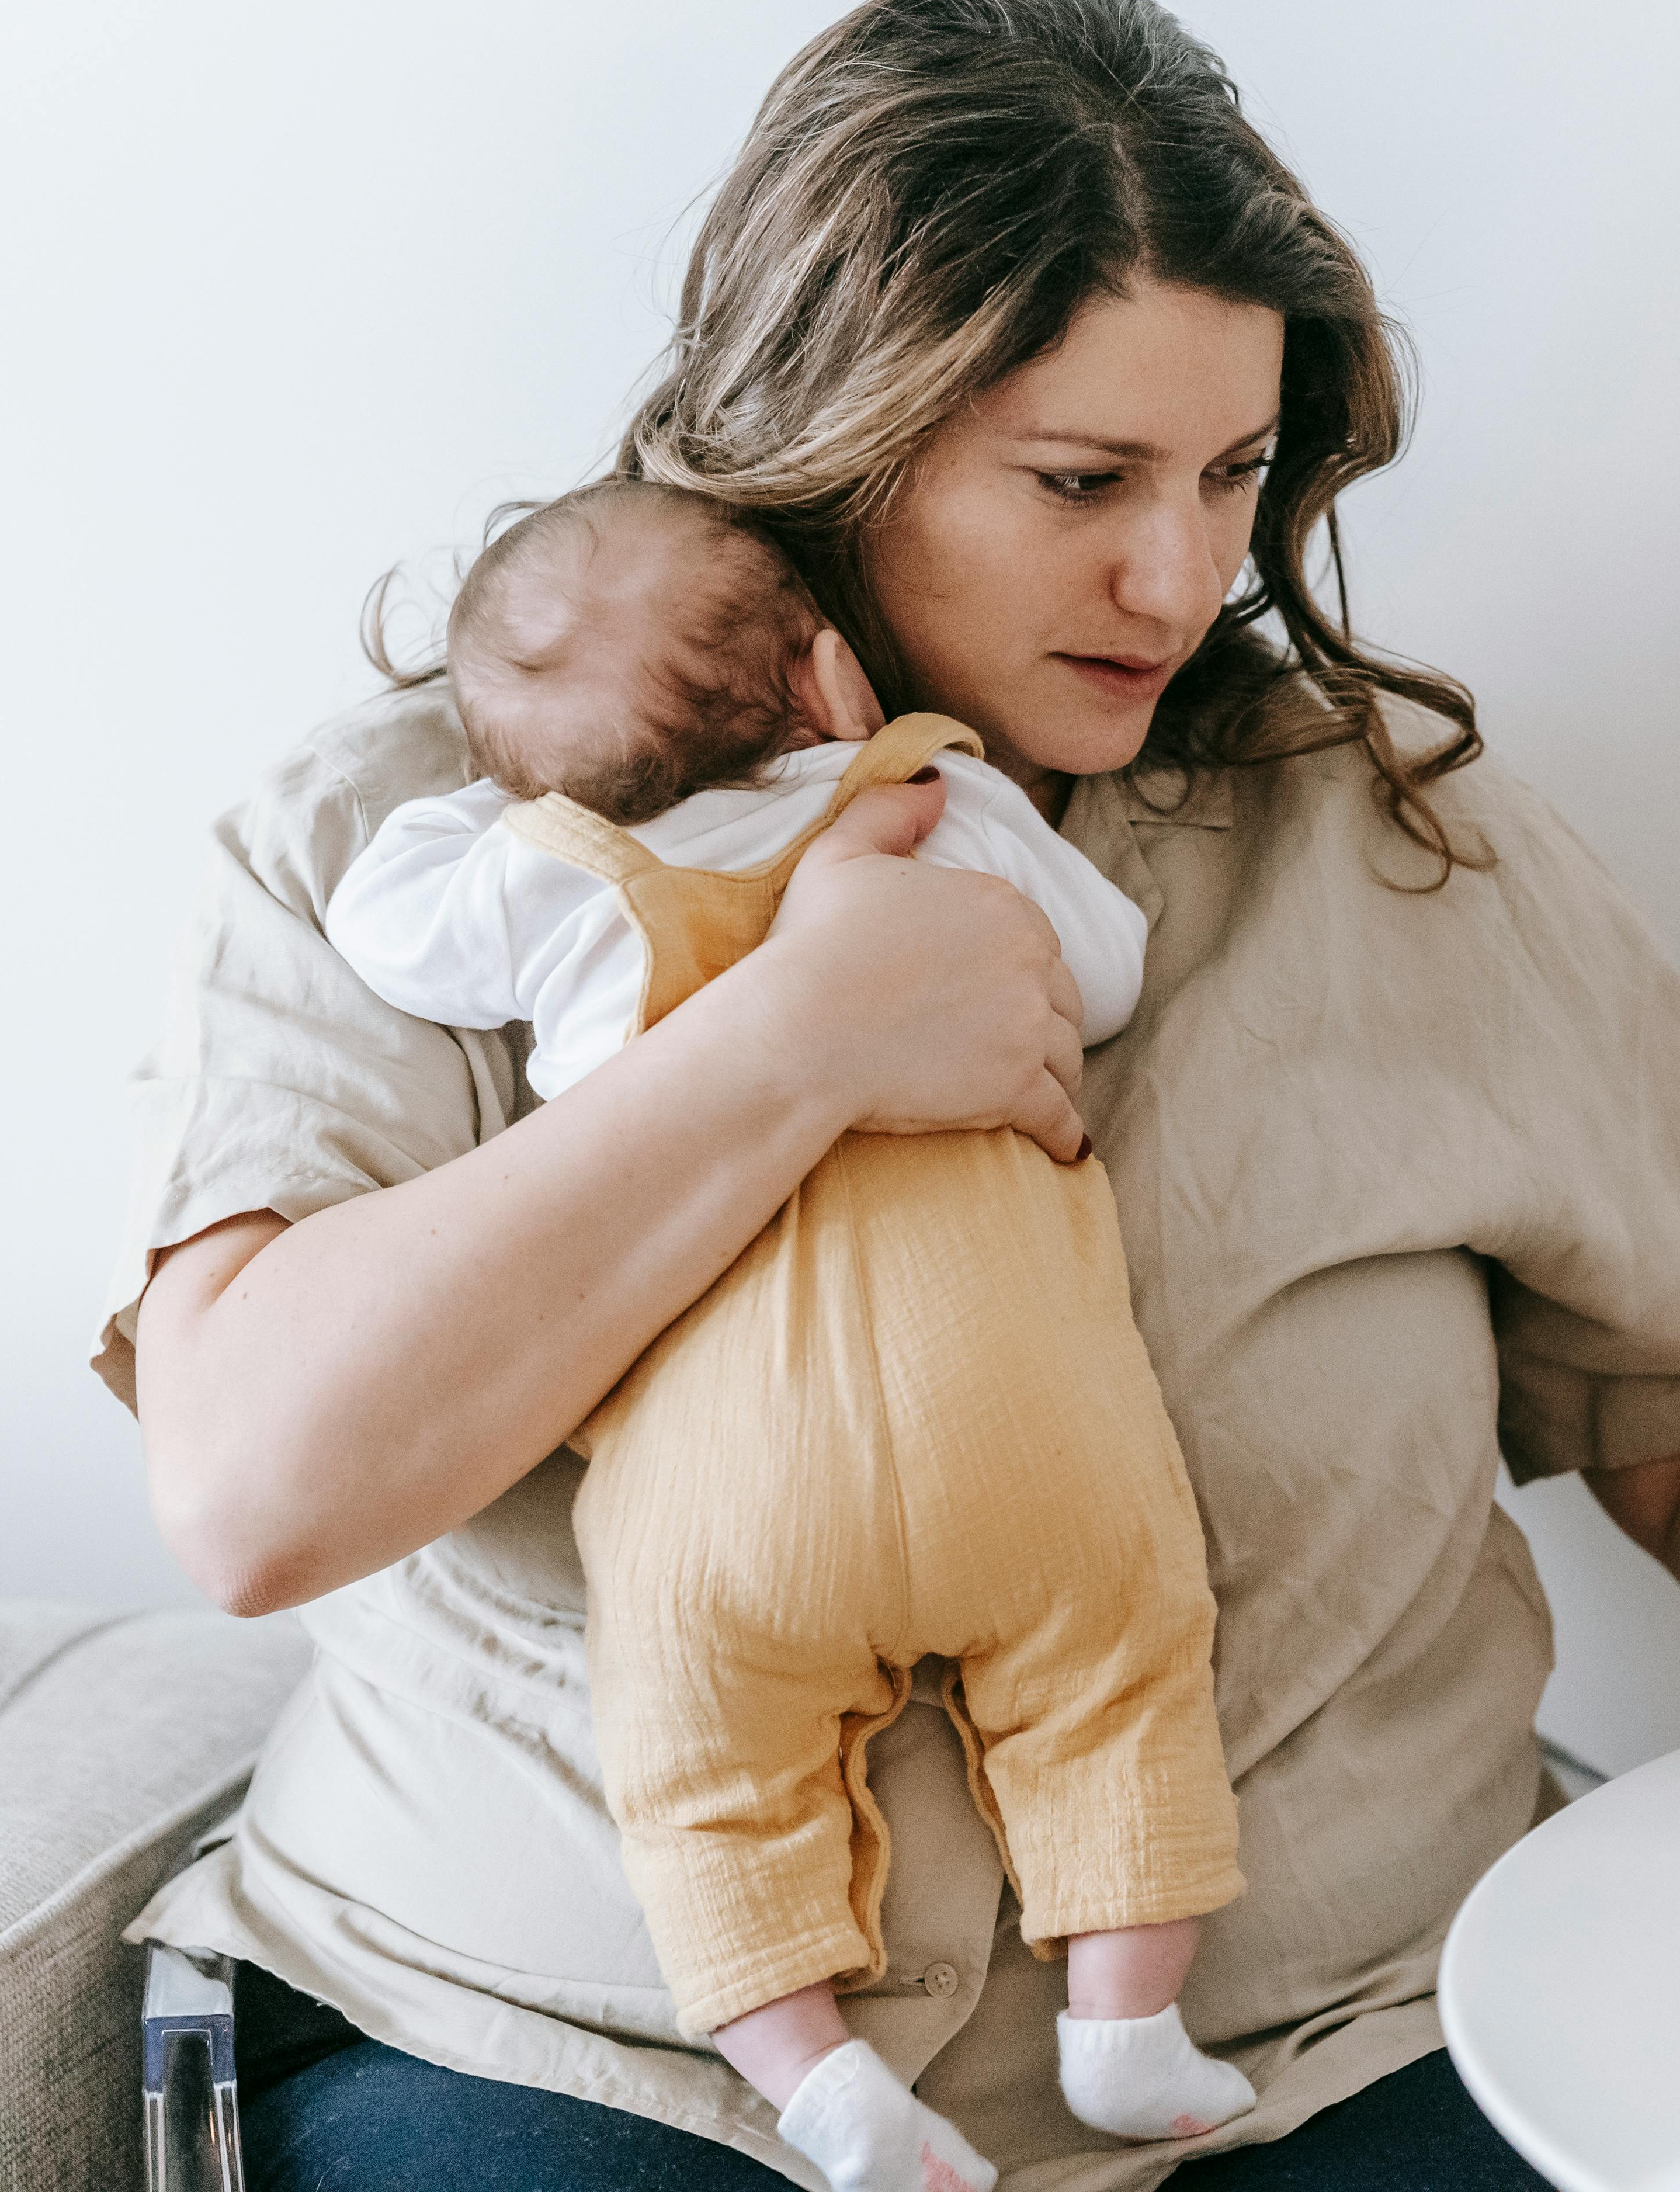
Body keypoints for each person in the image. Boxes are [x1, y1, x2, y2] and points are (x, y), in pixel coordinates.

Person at [111, 0, 1680, 2191]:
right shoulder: (418, 847)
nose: (1177, 575)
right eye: (1082, 480)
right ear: (835, 438)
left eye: (1234, 476)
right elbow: (258, 1492)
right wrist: (788, 1048)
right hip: (575, 2051)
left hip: (1340, 2040)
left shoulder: (1397, 841)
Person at [321, 476, 1255, 2190]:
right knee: (1125, 1668)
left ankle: (817, 2083)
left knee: (700, 1766)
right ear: (830, 676)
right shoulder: (929, 801)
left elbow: (384, 920)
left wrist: (506, 797)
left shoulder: (567, 881)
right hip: (1020, 1409)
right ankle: (1126, 2025)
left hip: (728, 1473)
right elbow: (1106, 972)